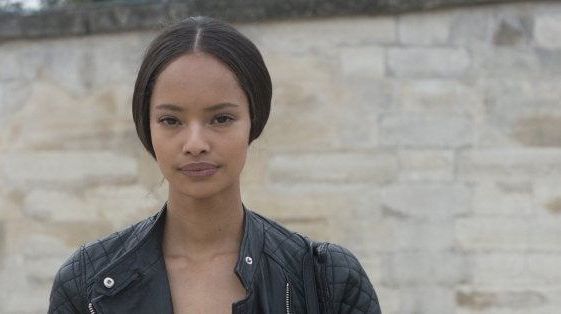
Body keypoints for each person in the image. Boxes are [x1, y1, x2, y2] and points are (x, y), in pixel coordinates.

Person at [48, 16, 380, 314]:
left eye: (221, 118)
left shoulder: (327, 279)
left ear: (254, 120)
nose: (195, 143)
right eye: (170, 120)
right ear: (146, 126)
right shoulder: (86, 283)